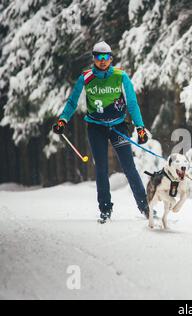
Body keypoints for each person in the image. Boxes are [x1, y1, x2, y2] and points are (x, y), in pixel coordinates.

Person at [52, 41, 150, 223]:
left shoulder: (121, 76)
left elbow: (132, 103)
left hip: (118, 127)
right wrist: (63, 119)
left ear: (111, 59)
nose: (103, 61)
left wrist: (140, 127)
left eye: (106, 57)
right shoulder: (86, 78)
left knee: (129, 167)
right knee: (102, 169)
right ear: (94, 59)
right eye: (99, 57)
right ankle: (105, 209)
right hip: (96, 127)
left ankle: (145, 207)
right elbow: (72, 102)